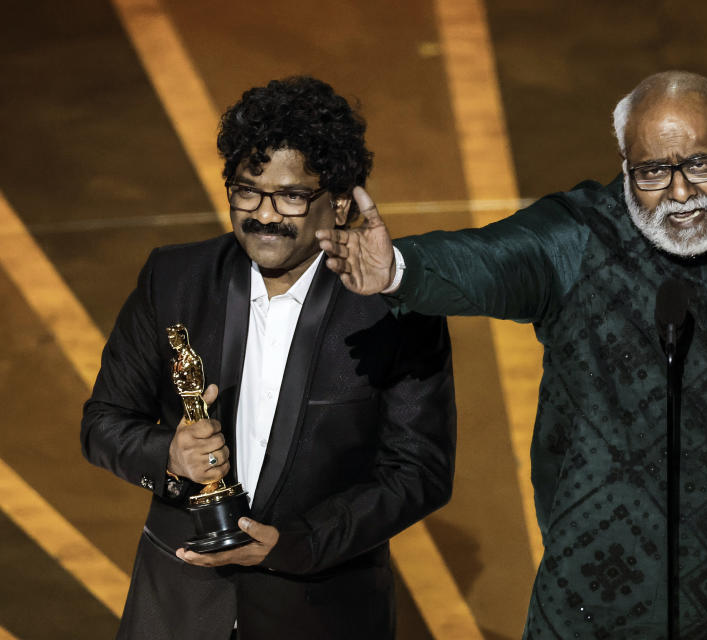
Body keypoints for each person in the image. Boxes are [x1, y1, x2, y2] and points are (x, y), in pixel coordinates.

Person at [316, 71, 707, 639]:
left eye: (700, 164)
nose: (680, 193)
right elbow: (490, 259)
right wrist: (398, 269)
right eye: (652, 172)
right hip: (606, 609)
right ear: (625, 166)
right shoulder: (579, 237)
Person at [81, 76, 456, 639]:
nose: (263, 215)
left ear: (337, 198)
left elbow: (418, 473)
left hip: (320, 609)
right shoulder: (173, 279)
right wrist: (169, 454)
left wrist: (296, 543)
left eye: (290, 196)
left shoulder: (394, 308)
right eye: (247, 190)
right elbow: (103, 424)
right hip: (179, 607)